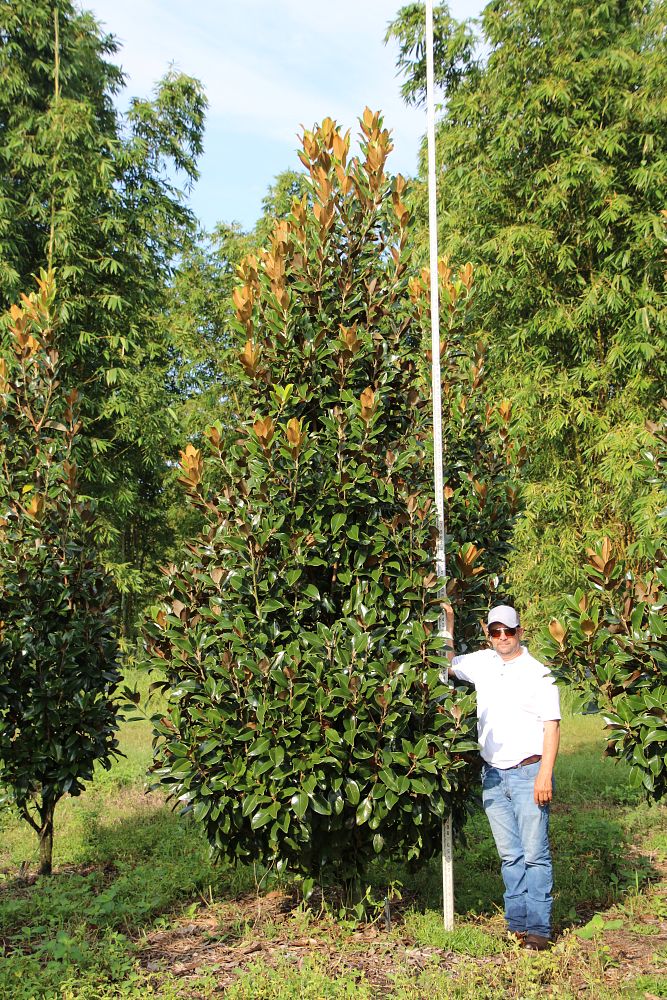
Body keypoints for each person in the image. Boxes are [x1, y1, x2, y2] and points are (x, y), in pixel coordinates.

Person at [444, 603, 560, 950]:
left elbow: (552, 727)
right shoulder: (482, 663)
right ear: (488, 634)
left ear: (520, 632)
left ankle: (539, 930)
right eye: (496, 632)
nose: (503, 637)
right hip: (493, 775)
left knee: (535, 854)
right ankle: (517, 924)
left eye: (509, 631)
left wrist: (545, 775)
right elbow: (446, 665)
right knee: (510, 855)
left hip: (528, 773)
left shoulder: (539, 672)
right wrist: (448, 625)